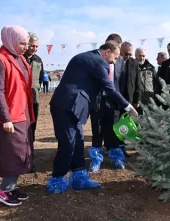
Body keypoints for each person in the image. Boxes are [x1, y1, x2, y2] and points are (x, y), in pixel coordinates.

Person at [46, 41, 138, 194]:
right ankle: (57, 178)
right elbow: (109, 88)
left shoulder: (87, 57)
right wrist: (127, 106)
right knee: (68, 142)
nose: (115, 61)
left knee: (79, 140)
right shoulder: (98, 62)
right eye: (115, 57)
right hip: (66, 106)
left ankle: (78, 176)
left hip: (72, 106)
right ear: (107, 52)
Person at [0, 26, 35, 206]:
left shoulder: (20, 58)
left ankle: (11, 187)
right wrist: (5, 118)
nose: (25, 46)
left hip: (22, 113)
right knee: (11, 154)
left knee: (22, 152)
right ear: (10, 40)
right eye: (22, 43)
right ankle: (3, 191)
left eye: (26, 43)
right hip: (9, 117)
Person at [89, 34, 127, 173]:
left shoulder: (121, 61)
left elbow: (122, 83)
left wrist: (123, 102)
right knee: (97, 131)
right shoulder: (95, 59)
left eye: (115, 45)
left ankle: (116, 158)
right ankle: (96, 160)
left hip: (114, 102)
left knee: (113, 132)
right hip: (98, 101)